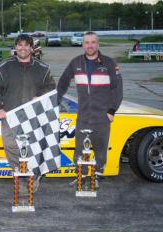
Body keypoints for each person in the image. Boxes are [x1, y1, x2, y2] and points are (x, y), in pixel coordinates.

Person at [0, 34, 56, 192]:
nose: (23, 48)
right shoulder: (3, 67)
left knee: (35, 148)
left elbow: (51, 87)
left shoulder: (43, 68)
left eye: (27, 45)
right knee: (11, 147)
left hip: (34, 115)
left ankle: (33, 177)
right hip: (10, 116)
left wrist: (39, 96)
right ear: (15, 47)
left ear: (32, 48)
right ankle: (20, 176)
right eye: (20, 45)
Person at [57, 31, 123, 188]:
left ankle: (98, 175)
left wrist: (112, 110)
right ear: (83, 44)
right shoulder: (76, 62)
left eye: (93, 42)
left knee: (100, 147)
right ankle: (81, 175)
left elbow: (117, 89)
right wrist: (55, 101)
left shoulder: (109, 63)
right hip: (83, 114)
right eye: (87, 42)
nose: (90, 45)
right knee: (79, 149)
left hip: (103, 115)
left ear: (97, 44)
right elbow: (63, 82)